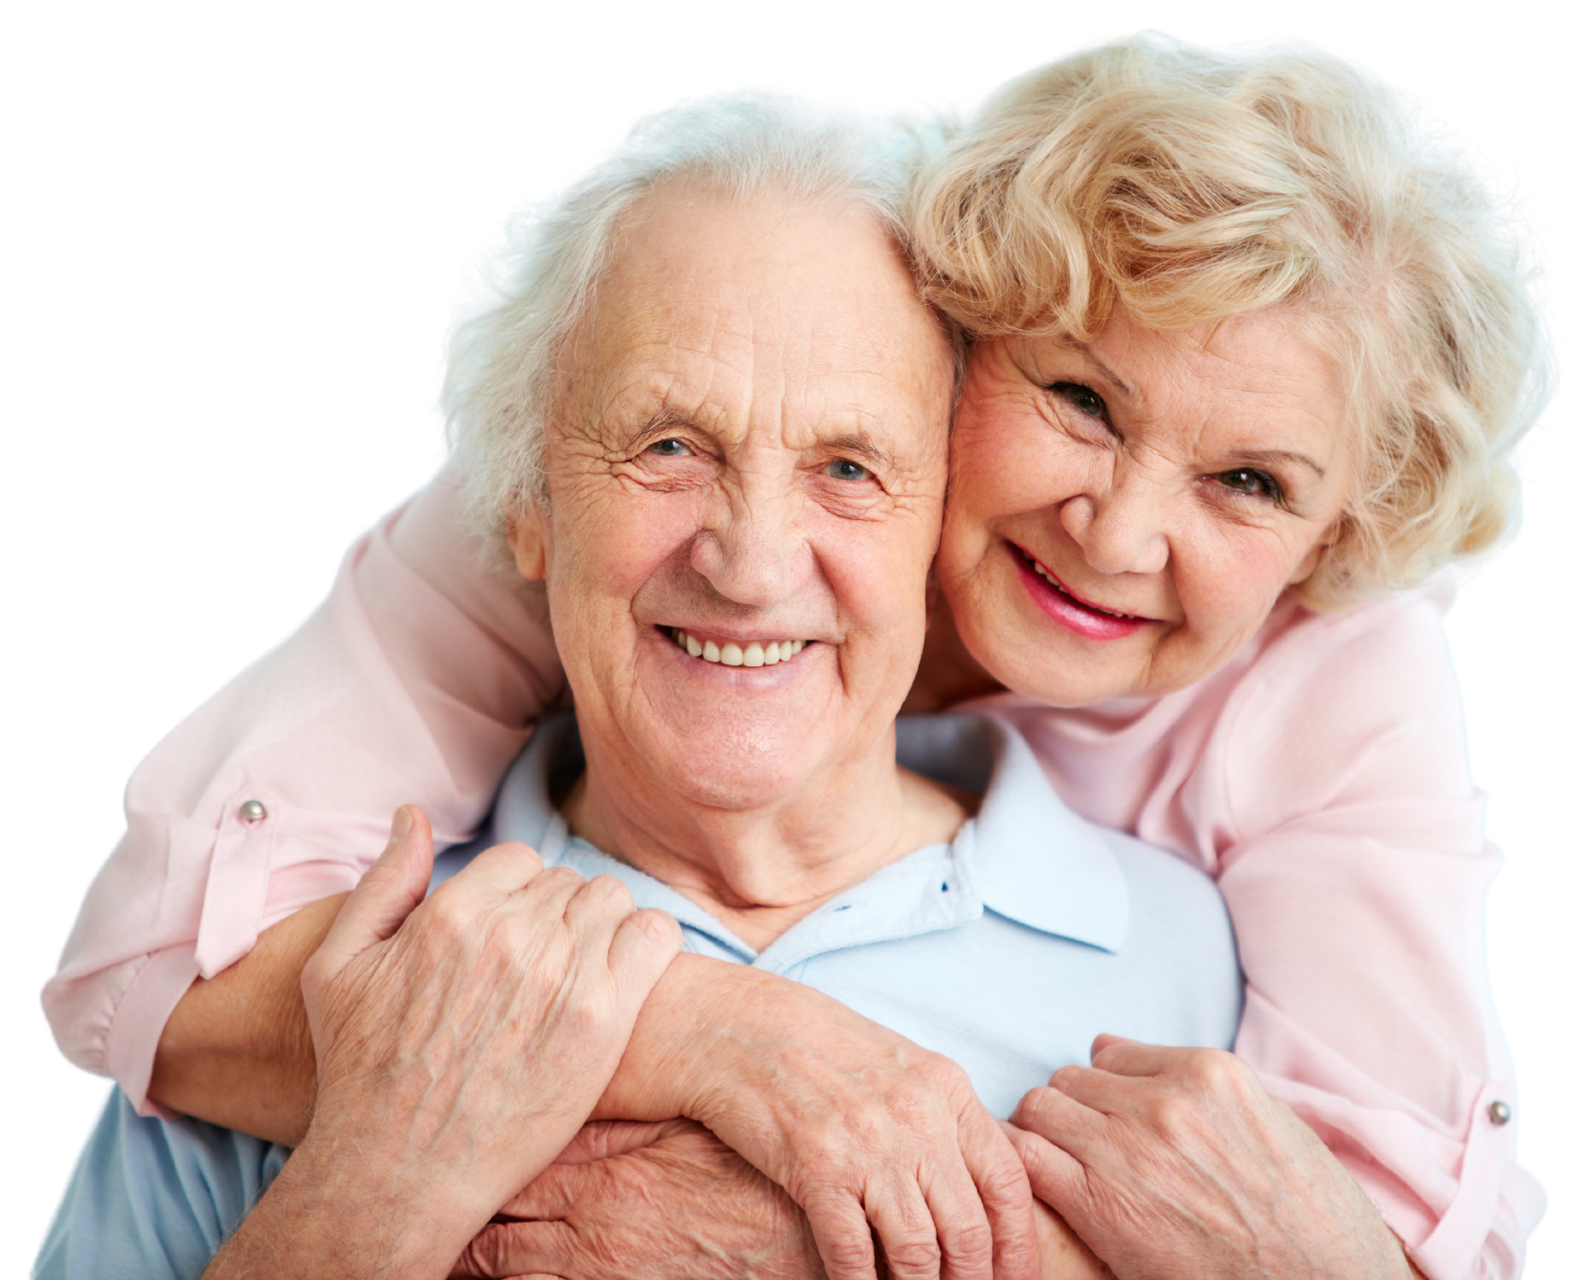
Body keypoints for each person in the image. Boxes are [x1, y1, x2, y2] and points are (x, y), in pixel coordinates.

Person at [39, 28, 1555, 1279]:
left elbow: (1410, 1240)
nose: (1118, 533)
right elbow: (156, 965)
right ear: (964, 346)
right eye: (1084, 401)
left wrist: (811, 1238)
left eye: (1252, 484)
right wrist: (693, 1049)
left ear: (1336, 542)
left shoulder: (1288, 780)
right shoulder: (567, 498)